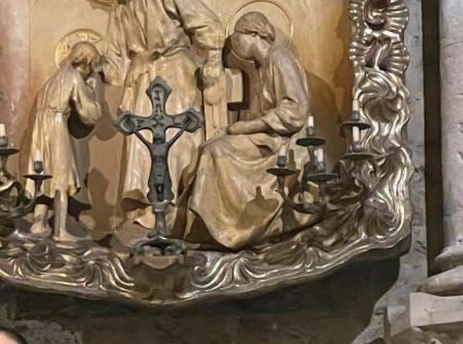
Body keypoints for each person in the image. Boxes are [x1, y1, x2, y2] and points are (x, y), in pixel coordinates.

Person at [187, 12, 311, 250]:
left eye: (238, 37)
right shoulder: (262, 68)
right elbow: (257, 113)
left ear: (255, 34)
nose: (235, 44)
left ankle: (224, 227)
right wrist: (234, 129)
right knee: (211, 146)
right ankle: (215, 224)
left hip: (282, 143)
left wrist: (248, 127)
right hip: (266, 137)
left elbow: (295, 109)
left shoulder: (280, 59)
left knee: (215, 151)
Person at [98, 0, 224, 234]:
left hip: (176, 72)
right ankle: (147, 214)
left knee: (179, 143)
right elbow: (114, 57)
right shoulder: (121, 7)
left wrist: (214, 62)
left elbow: (210, 26)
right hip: (140, 79)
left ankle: (178, 214)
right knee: (141, 146)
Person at [28, 42, 104, 242]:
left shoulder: (54, 78)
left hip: (40, 126)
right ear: (87, 62)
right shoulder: (74, 77)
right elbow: (89, 113)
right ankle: (60, 231)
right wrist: (94, 94)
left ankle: (39, 222)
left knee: (43, 175)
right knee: (62, 176)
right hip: (56, 125)